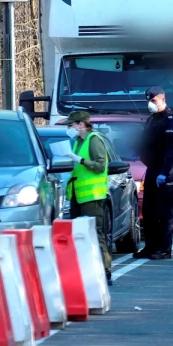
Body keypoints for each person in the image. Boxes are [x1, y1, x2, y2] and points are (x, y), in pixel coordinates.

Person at [64, 111, 113, 284]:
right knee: (79, 235)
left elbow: (100, 166)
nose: (69, 128)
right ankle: (85, 272)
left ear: (81, 124)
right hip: (78, 196)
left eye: (71, 125)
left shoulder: (94, 140)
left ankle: (105, 272)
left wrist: (81, 160)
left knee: (95, 234)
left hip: (92, 196)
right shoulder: (78, 142)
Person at [135, 86, 173, 260]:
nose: (150, 104)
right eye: (149, 101)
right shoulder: (151, 119)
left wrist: (164, 172)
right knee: (149, 211)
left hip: (166, 170)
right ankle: (150, 247)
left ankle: (164, 249)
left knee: (164, 212)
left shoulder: (171, 120)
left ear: (163, 100)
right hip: (152, 169)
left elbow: (171, 149)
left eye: (154, 101)